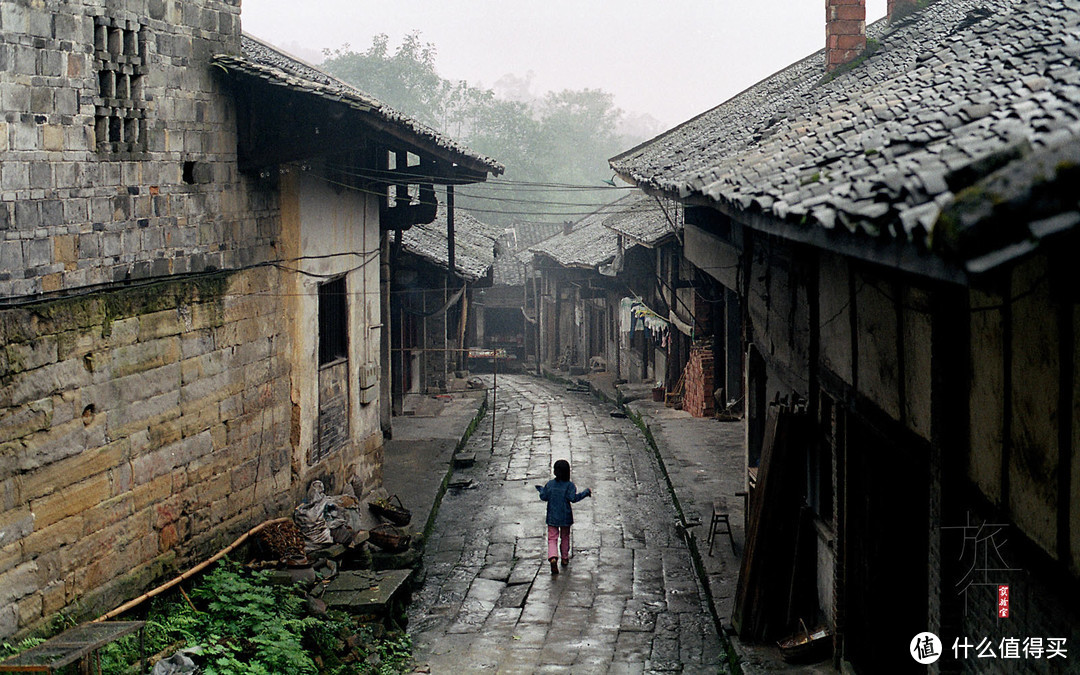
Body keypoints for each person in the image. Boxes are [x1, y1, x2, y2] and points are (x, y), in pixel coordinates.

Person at [536, 459, 591, 574]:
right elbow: (573, 498)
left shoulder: (550, 484)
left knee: (552, 538)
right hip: (565, 517)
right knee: (565, 536)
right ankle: (564, 558)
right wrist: (586, 492)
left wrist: (541, 489)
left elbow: (544, 496)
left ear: (555, 472)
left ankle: (553, 557)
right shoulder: (570, 486)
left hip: (552, 517)